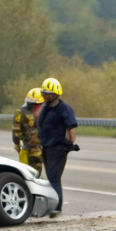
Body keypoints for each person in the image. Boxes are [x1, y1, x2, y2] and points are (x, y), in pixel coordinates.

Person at [36, 77, 78, 218]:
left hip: (58, 149)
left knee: (54, 179)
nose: (44, 95)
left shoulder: (64, 109)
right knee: (52, 178)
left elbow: (72, 130)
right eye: (43, 92)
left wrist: (68, 144)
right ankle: (53, 206)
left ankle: (56, 208)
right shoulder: (46, 107)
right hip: (47, 148)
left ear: (54, 94)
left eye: (46, 93)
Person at [13, 87, 45, 175]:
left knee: (30, 176)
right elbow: (16, 132)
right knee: (29, 176)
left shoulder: (20, 112)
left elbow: (16, 133)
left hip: (35, 150)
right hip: (28, 150)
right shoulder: (23, 113)